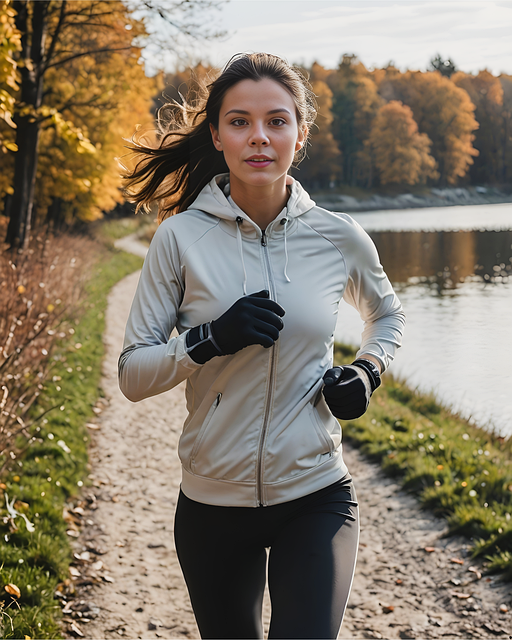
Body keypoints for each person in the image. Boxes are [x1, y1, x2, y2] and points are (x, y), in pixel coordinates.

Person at [118, 52, 405, 640]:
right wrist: (205, 341)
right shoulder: (179, 238)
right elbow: (132, 374)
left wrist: (367, 372)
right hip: (211, 503)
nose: (259, 137)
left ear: (299, 137)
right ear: (218, 134)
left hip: (316, 492)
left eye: (277, 121)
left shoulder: (337, 237)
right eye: (240, 121)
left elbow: (387, 316)